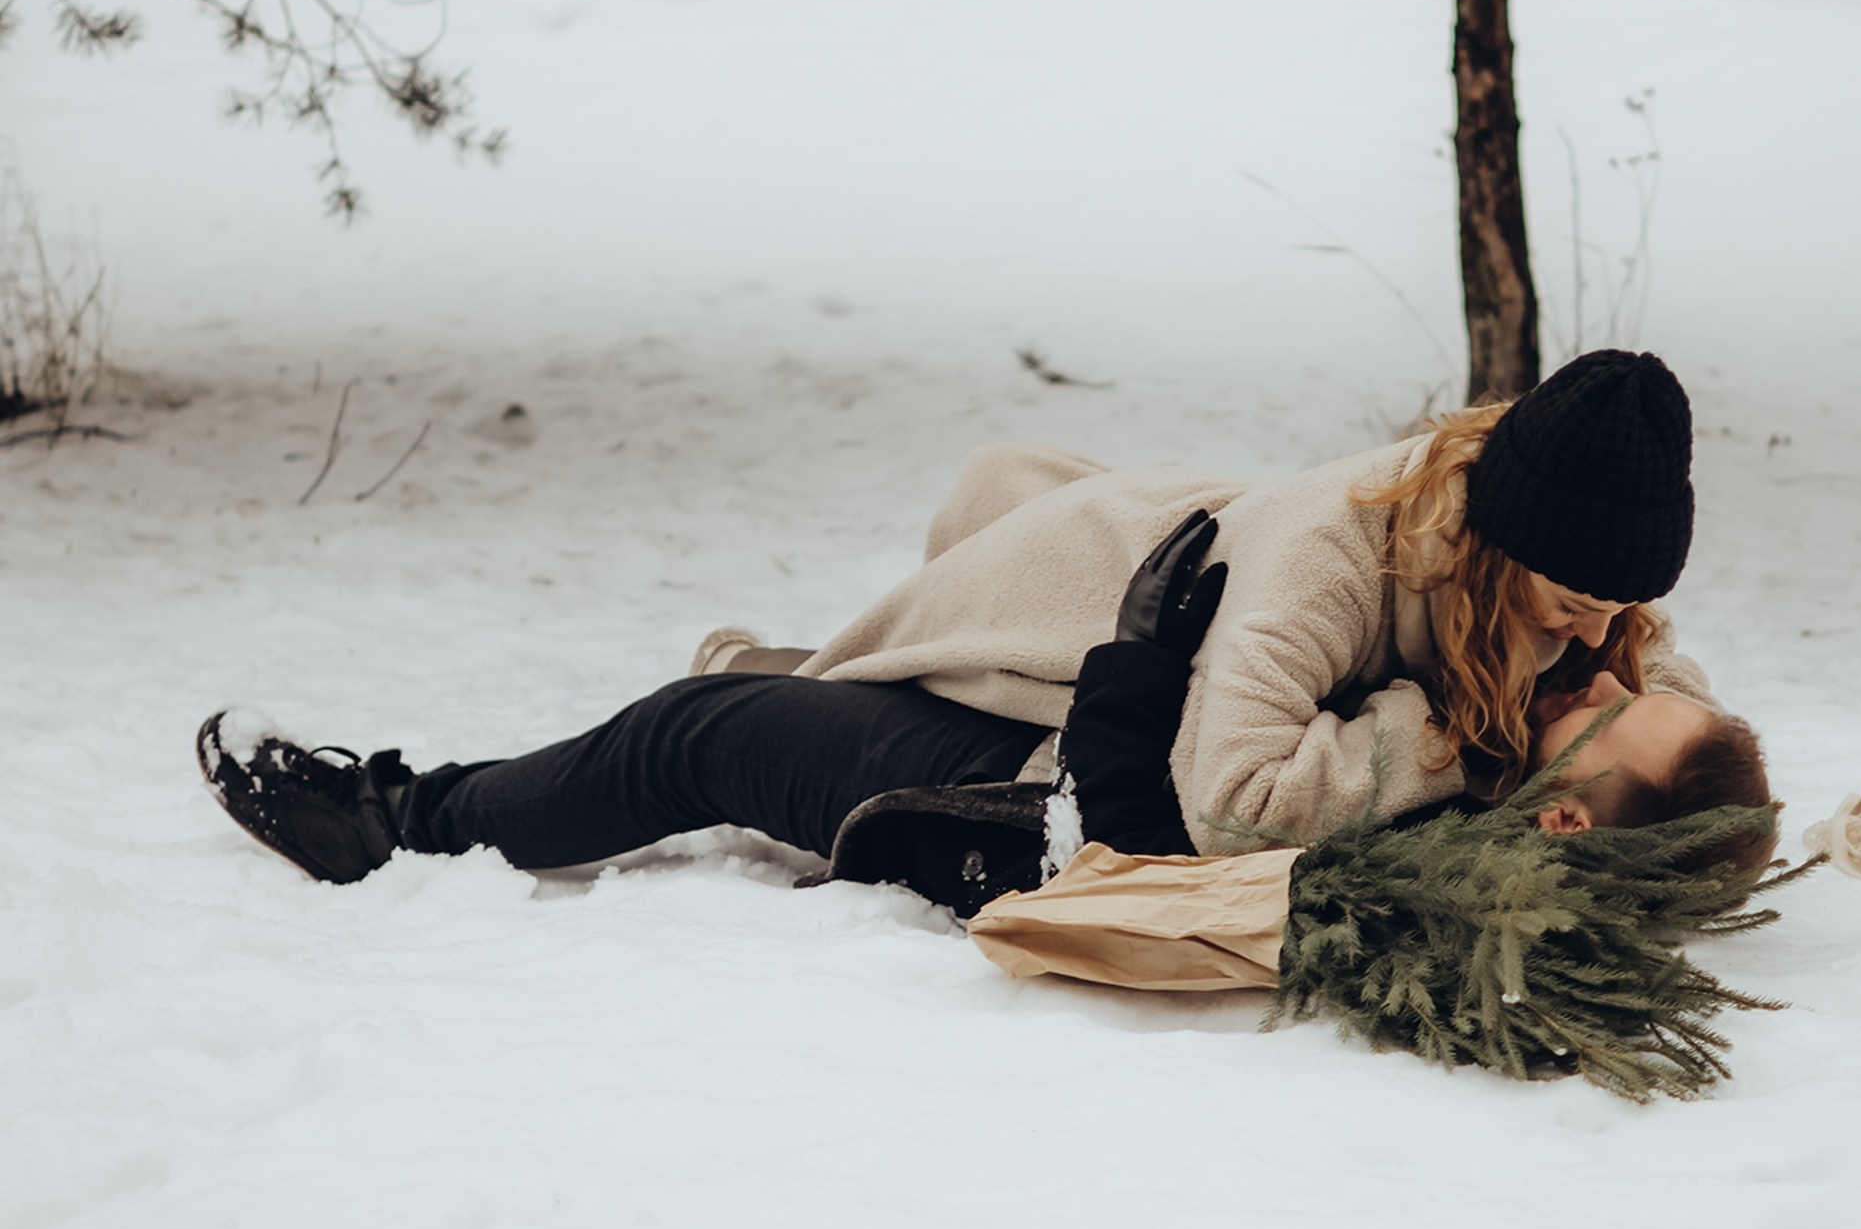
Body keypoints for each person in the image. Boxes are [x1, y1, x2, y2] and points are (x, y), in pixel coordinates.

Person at [198, 348, 1757, 890]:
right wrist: (1455, 741)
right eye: (1585, 596)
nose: (1609, 637)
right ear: (1497, 530)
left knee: (707, 737)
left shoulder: (1574, 655)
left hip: (1098, 734)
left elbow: (1229, 804)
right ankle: (420, 822)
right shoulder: (1345, 561)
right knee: (965, 547)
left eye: (1633, 618)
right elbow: (1239, 790)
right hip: (1099, 634)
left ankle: (402, 816)